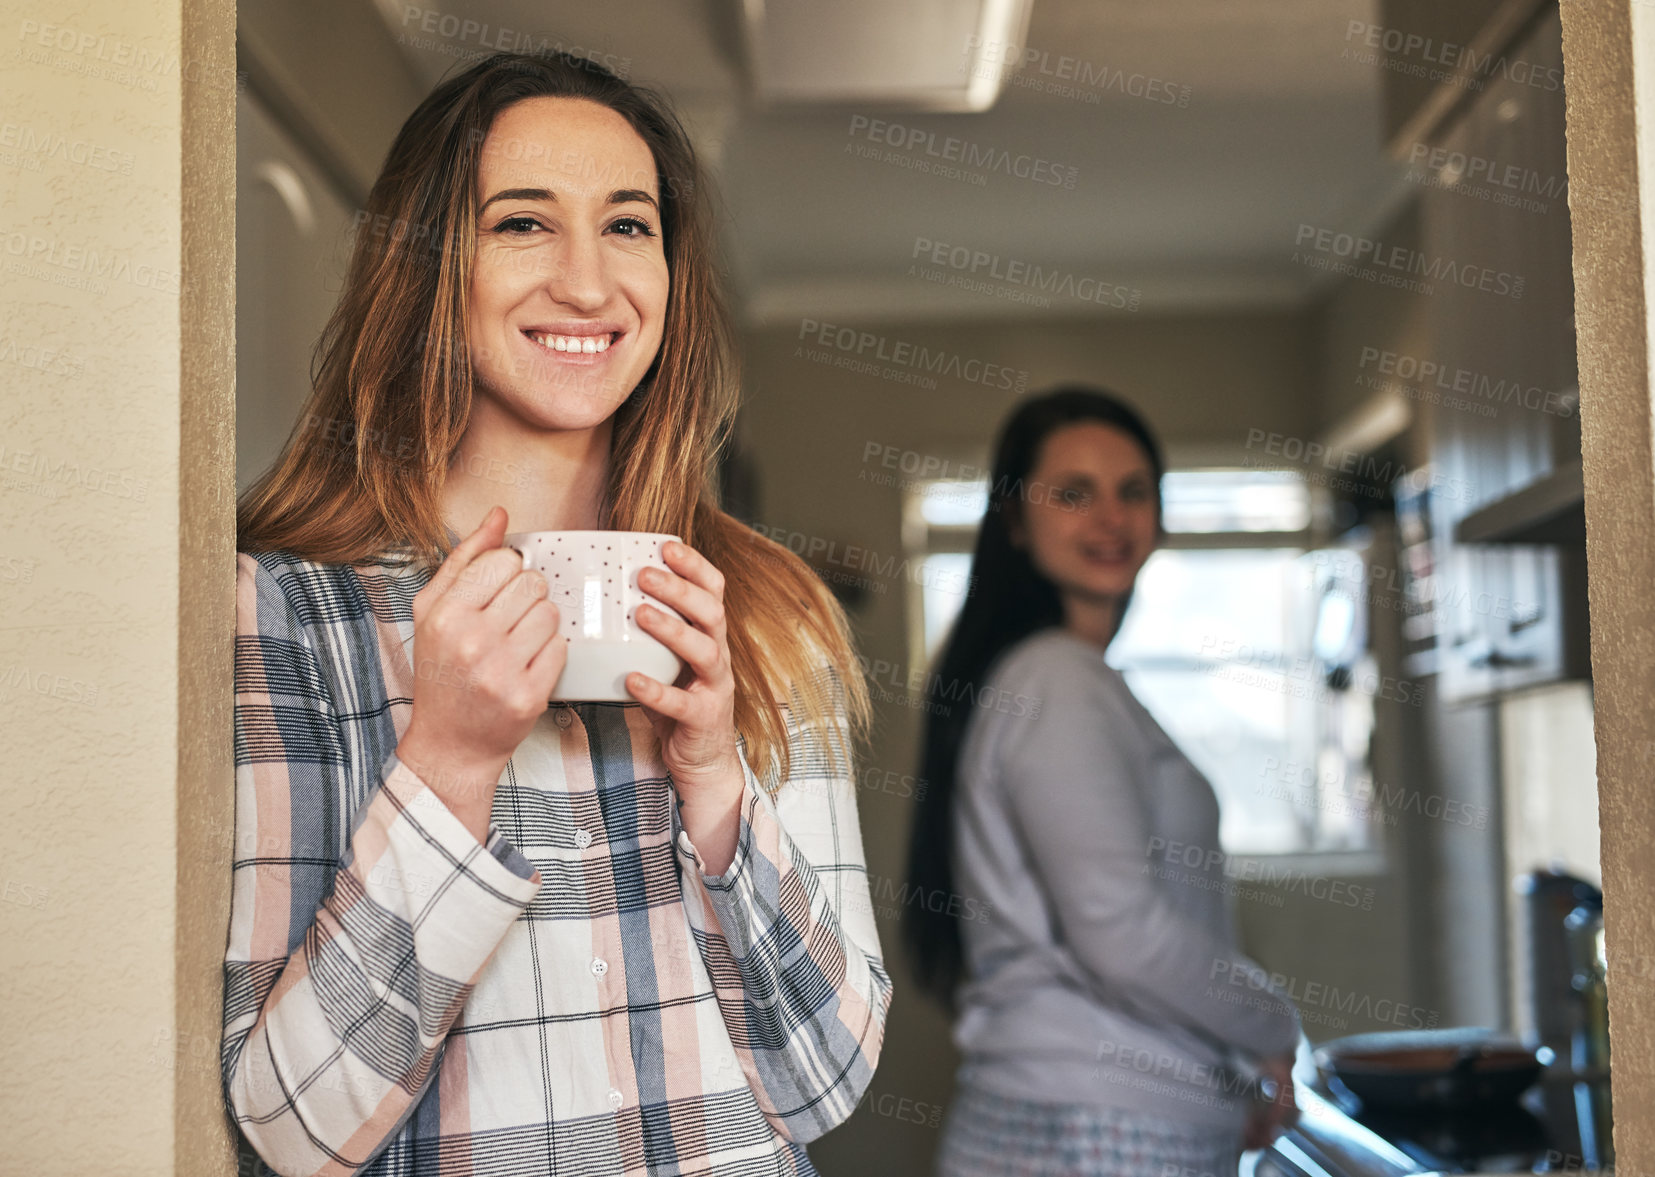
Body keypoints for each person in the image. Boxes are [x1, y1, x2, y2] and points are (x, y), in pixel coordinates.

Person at [224, 51, 890, 1177]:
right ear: (431, 266)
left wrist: (718, 780)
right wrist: (446, 763)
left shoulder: (767, 613)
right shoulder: (283, 611)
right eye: (523, 223)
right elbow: (293, 1129)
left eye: (628, 227)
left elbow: (825, 1080)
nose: (588, 284)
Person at [905, 388, 1301, 1177]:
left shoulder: (1059, 678)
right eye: (1073, 493)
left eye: (1133, 490)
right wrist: (1274, 1024)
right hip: (1099, 1128)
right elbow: (1119, 927)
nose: (1110, 517)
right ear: (1014, 520)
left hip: (1082, 1117)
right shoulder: (1057, 680)